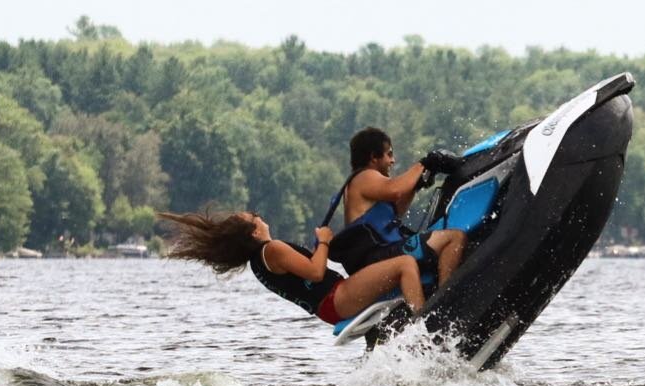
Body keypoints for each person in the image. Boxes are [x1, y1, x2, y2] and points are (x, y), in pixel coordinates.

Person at [158, 209, 428, 324]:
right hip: (337, 298)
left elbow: (309, 273)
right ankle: (423, 326)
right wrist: (323, 242)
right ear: (253, 232)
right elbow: (315, 272)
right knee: (405, 264)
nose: (260, 217)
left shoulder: (260, 262)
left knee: (390, 266)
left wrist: (319, 250)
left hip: (331, 305)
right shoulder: (272, 249)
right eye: (255, 217)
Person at [325, 127, 466, 287]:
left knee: (439, 241)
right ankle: (444, 299)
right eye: (389, 154)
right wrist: (424, 163)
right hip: (376, 257)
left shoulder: (367, 184)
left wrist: (417, 185)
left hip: (377, 255)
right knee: (454, 237)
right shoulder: (364, 176)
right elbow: (396, 190)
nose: (393, 161)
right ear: (373, 157)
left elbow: (397, 211)